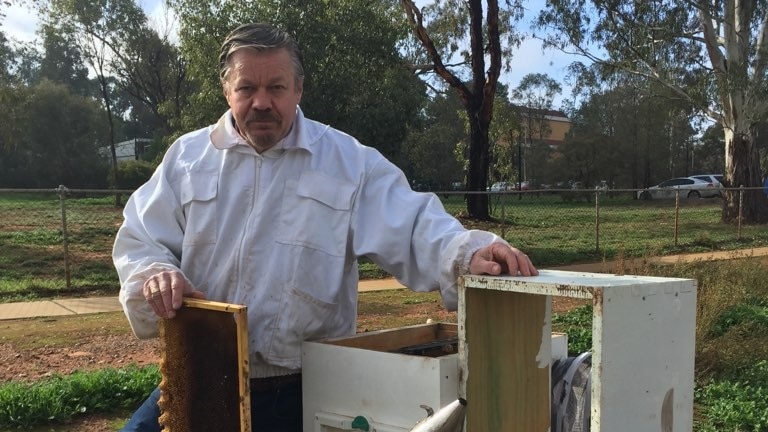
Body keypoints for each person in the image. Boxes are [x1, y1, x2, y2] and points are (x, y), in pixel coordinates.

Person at [112, 22, 538, 432]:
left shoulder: (348, 163)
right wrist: (155, 274)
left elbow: (413, 225)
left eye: (276, 87)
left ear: (298, 89)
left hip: (304, 388)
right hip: (202, 378)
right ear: (227, 90)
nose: (261, 102)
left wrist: (466, 253)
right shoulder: (187, 158)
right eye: (246, 88)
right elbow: (142, 239)